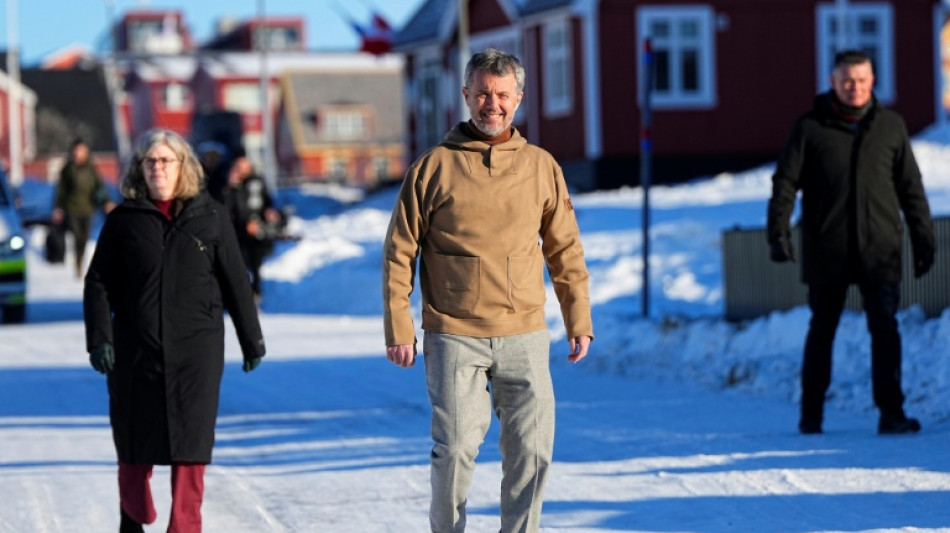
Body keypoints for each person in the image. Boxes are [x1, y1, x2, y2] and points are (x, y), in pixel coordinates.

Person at [382, 48, 593, 533]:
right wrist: (399, 326)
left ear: (518, 98)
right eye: (481, 93)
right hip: (454, 333)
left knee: (533, 450)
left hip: (525, 333)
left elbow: (565, 249)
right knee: (454, 447)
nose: (490, 104)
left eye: (501, 94)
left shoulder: (541, 167)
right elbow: (399, 252)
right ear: (465, 96)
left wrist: (577, 317)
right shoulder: (432, 167)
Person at [83, 129, 266, 533]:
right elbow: (97, 282)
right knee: (132, 439)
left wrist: (251, 340)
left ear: (183, 167)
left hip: (195, 352)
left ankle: (184, 526)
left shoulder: (212, 216)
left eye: (166, 160)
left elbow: (236, 280)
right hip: (135, 349)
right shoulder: (123, 220)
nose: (157, 168)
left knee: (191, 444)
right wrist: (100, 339)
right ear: (139, 169)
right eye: (150, 161)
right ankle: (132, 516)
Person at [767, 50, 935, 436]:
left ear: (873, 80)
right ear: (832, 80)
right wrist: (778, 232)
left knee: (886, 330)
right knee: (822, 330)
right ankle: (811, 416)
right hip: (828, 249)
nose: (854, 87)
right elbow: (785, 184)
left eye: (861, 79)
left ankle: (891, 414)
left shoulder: (890, 126)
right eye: (846, 79)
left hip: (879, 250)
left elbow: (911, 188)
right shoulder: (810, 127)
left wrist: (923, 238)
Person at [52, 138, 114, 277]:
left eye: (82, 151)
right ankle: (77, 261)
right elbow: (61, 190)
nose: (79, 154)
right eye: (77, 151)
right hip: (72, 208)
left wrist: (106, 202)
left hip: (88, 208)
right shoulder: (68, 169)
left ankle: (81, 258)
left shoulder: (91, 169)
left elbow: (99, 187)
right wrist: (58, 208)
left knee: (84, 237)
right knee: (76, 235)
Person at [225, 155, 281, 301]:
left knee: (256, 263)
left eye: (244, 166)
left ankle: (256, 293)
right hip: (238, 231)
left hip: (257, 230)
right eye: (239, 166)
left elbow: (266, 201)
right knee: (239, 264)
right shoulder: (232, 185)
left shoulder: (257, 181)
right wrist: (231, 188)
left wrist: (269, 213)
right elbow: (228, 207)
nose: (242, 169)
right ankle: (240, 294)